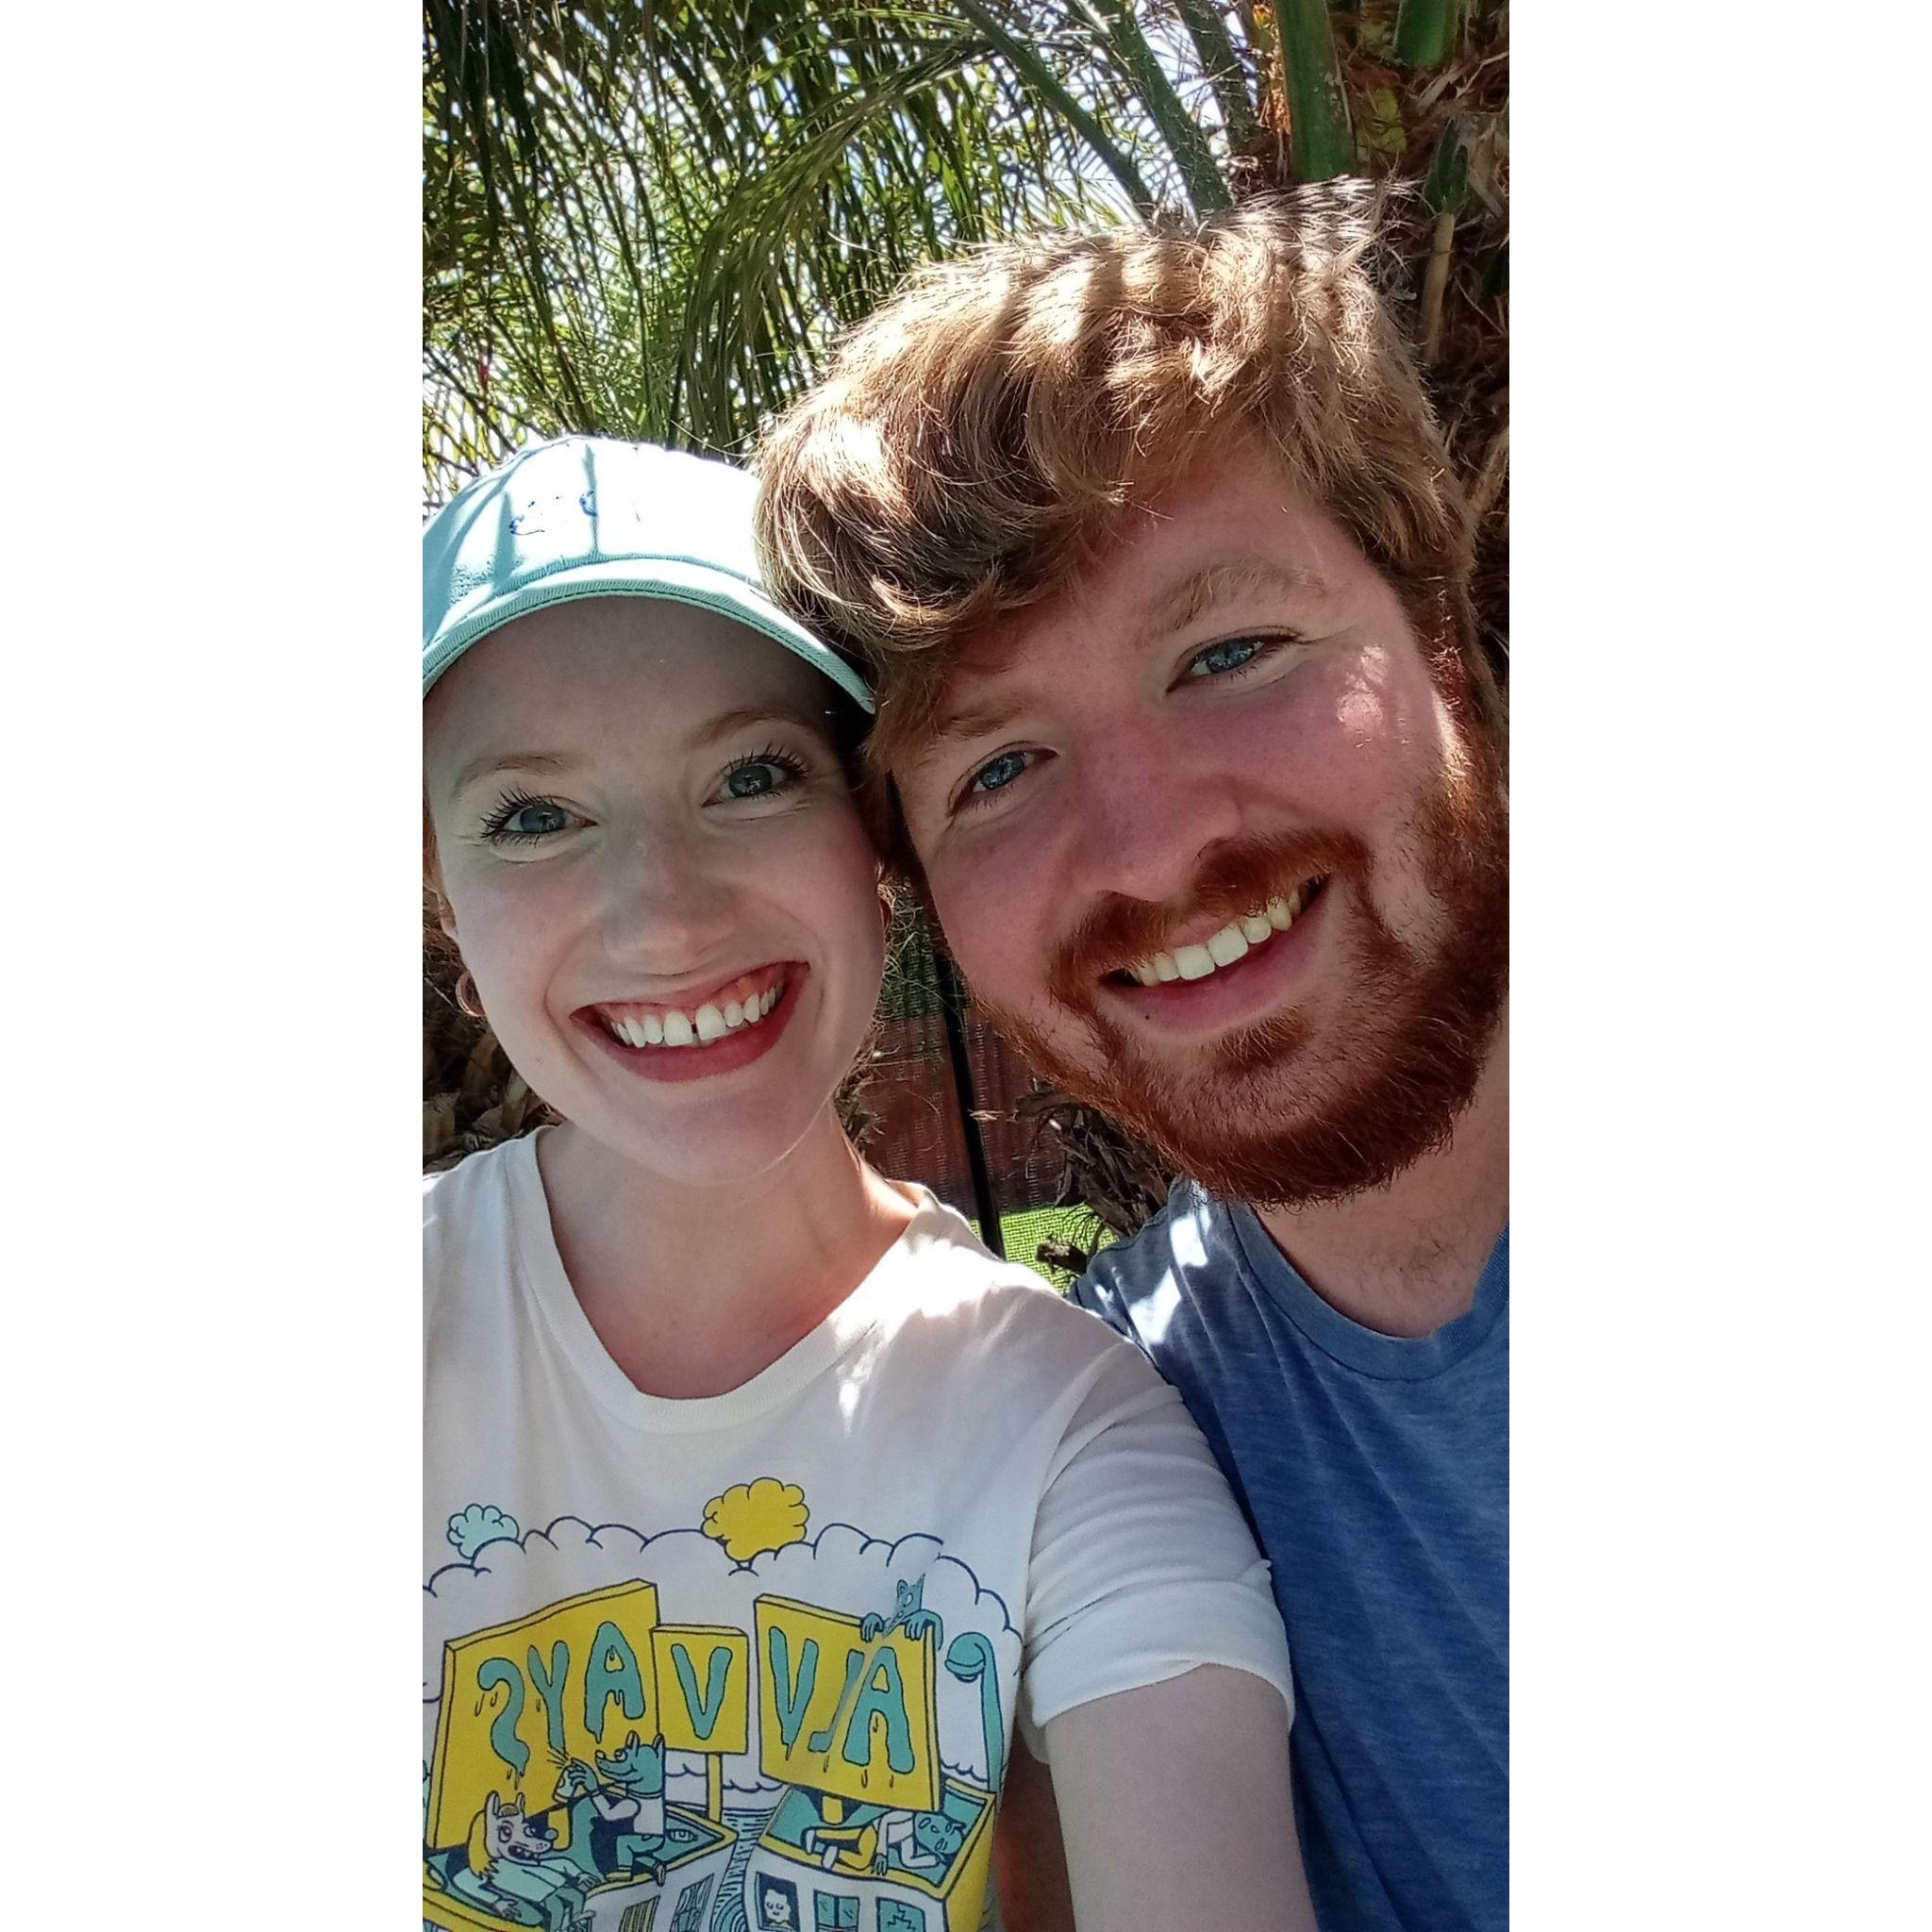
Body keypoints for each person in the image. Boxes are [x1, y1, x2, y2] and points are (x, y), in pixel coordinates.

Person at [420, 435, 1319, 1932]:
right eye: (534, 816)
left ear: (874, 842)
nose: (662, 915)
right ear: (441, 896)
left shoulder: (1063, 1431)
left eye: (751, 776)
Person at [754, 182, 1507, 1932]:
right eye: (997, 771)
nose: (1154, 849)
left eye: (1230, 651)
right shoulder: (1084, 1445)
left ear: (1442, 649)